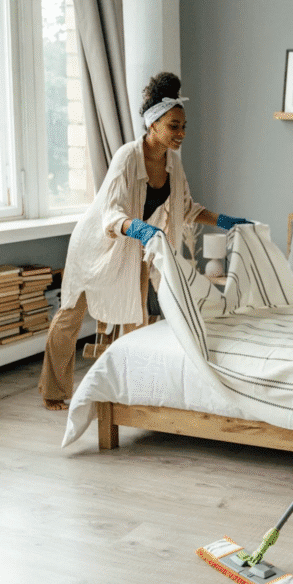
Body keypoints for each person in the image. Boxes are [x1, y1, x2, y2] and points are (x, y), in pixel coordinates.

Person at [39, 71, 247, 410]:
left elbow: (186, 208)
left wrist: (224, 221)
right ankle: (53, 391)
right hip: (95, 247)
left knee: (135, 316)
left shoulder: (173, 164)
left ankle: (132, 387)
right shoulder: (127, 157)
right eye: (173, 126)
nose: (181, 134)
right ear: (153, 125)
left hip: (130, 247)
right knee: (71, 317)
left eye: (183, 127)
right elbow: (110, 213)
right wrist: (143, 230)